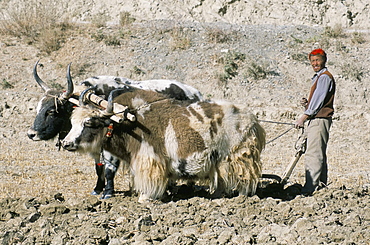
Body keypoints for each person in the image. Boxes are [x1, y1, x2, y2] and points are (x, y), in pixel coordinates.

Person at [295, 48, 336, 195]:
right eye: (312, 61)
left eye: (317, 60)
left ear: (324, 60)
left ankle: (310, 189)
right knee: (319, 153)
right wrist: (308, 104)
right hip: (319, 119)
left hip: (319, 120)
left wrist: (303, 117)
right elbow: (318, 101)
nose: (315, 63)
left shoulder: (324, 77)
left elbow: (318, 102)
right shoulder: (319, 77)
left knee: (313, 154)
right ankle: (320, 187)